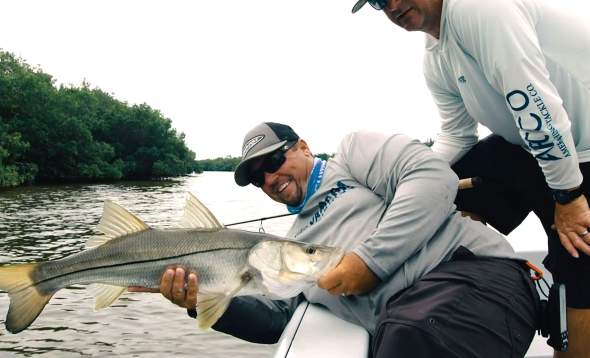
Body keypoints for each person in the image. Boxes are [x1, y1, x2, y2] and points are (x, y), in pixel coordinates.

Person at [133, 122, 540, 357]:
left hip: (477, 278)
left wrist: (368, 264)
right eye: (257, 178)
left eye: (274, 160)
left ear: (304, 147)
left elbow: (434, 176)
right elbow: (276, 320)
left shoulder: (354, 157)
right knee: (402, 333)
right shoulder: (290, 246)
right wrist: (201, 302)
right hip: (405, 321)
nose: (269, 179)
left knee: (410, 334)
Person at [351, 0, 590, 356]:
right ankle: (471, 289)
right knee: (438, 192)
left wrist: (569, 196)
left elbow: (534, 103)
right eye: (379, 1)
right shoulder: (435, 56)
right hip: (532, 149)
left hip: (579, 153)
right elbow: (457, 134)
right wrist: (407, 185)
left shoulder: (480, 9)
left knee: (578, 258)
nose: (394, 5)